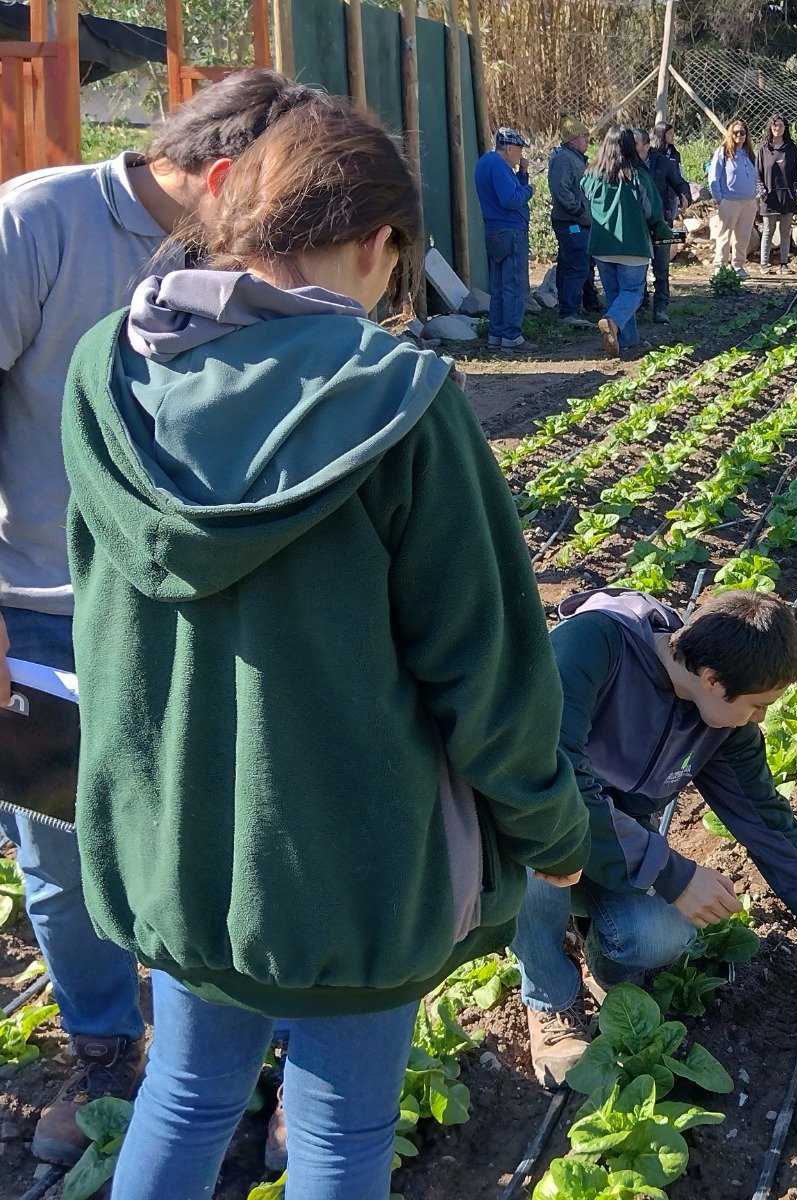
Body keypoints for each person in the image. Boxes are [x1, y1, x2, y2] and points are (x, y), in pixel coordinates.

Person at [60, 98, 588, 1200]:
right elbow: (486, 672)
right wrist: (553, 832)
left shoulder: (106, 372)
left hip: (179, 852)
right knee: (343, 1133)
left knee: (188, 1094)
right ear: (376, 243)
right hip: (352, 871)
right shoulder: (398, 401)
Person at [0, 68, 333, 1168]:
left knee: (237, 825)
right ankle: (106, 1052)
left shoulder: (234, 249)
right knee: (59, 840)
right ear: (224, 174)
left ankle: (272, 1056)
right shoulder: (39, 222)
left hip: (186, 596)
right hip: (42, 604)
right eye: (276, 197)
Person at [511, 588, 797, 1086]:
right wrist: (672, 874)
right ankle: (549, 998)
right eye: (757, 705)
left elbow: (769, 826)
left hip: (611, 846)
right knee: (540, 853)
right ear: (711, 679)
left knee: (658, 935)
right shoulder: (593, 647)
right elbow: (547, 778)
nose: (760, 719)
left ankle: (603, 965)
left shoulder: (721, 727)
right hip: (526, 825)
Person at [584, 127, 673, 357]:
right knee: (633, 292)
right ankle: (612, 322)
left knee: (615, 294)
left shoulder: (592, 175)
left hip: (602, 247)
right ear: (628, 147)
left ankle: (628, 340)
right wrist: (664, 232)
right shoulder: (637, 176)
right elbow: (653, 212)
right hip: (633, 245)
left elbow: (585, 195)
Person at [474, 126, 533, 349]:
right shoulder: (499, 165)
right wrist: (530, 190)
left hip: (494, 231)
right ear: (509, 148)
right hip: (511, 232)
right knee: (515, 286)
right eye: (519, 149)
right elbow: (509, 199)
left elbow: (505, 191)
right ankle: (511, 336)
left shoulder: (485, 162)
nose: (521, 154)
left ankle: (496, 335)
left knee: (499, 286)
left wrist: (522, 175)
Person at [548, 116, 602, 327]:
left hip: (578, 221)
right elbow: (560, 188)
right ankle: (569, 312)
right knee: (576, 264)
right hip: (571, 221)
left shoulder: (577, 158)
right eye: (583, 136)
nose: (587, 140)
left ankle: (574, 306)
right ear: (572, 139)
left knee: (573, 263)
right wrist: (579, 210)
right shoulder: (564, 159)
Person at [642, 123, 691, 323]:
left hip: (661, 221)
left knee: (661, 267)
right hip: (637, 225)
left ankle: (660, 308)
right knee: (638, 269)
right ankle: (639, 304)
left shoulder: (662, 162)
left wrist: (684, 194)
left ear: (645, 144)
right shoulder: (628, 163)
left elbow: (678, 181)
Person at [706, 120, 758, 276]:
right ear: (730, 133)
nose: (739, 135)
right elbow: (713, 176)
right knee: (724, 235)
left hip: (749, 201)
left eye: (742, 132)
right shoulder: (723, 152)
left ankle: (738, 265)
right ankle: (720, 266)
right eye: (736, 132)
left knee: (743, 236)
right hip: (729, 200)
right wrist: (720, 199)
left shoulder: (749, 153)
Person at [757, 115, 797, 273]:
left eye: (781, 126)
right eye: (775, 126)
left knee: (785, 230)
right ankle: (764, 264)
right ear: (770, 128)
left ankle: (784, 263)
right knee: (768, 231)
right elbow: (758, 173)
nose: (778, 129)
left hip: (787, 196)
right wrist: (761, 190)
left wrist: (796, 189)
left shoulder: (791, 148)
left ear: (785, 128)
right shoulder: (763, 149)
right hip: (769, 196)